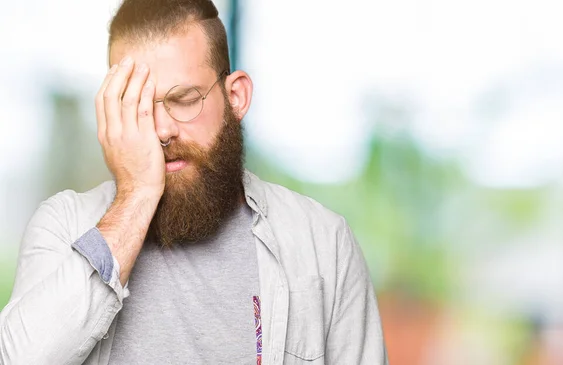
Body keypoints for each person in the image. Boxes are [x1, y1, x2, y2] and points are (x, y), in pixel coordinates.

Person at [0, 0, 387, 364]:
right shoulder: (62, 225)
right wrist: (137, 194)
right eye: (137, 107)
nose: (163, 130)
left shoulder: (324, 243)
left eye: (184, 99)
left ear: (235, 96)